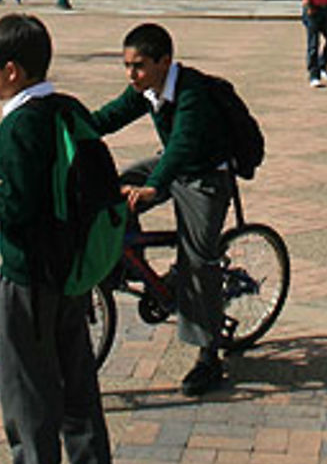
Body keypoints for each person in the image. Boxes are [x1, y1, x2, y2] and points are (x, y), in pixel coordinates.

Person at [0, 13, 113, 464]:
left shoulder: (21, 125)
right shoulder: (66, 108)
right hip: (71, 270)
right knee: (76, 371)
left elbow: (16, 206)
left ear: (13, 70)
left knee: (26, 382)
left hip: (29, 273)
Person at [91, 22, 234, 398]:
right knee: (109, 187)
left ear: (164, 62)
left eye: (137, 66)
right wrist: (66, 132)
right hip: (173, 164)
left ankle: (209, 357)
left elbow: (183, 145)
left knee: (199, 260)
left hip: (205, 175)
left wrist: (154, 187)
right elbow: (107, 118)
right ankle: (128, 258)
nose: (131, 74)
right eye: (126, 65)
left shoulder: (191, 92)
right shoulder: (147, 89)